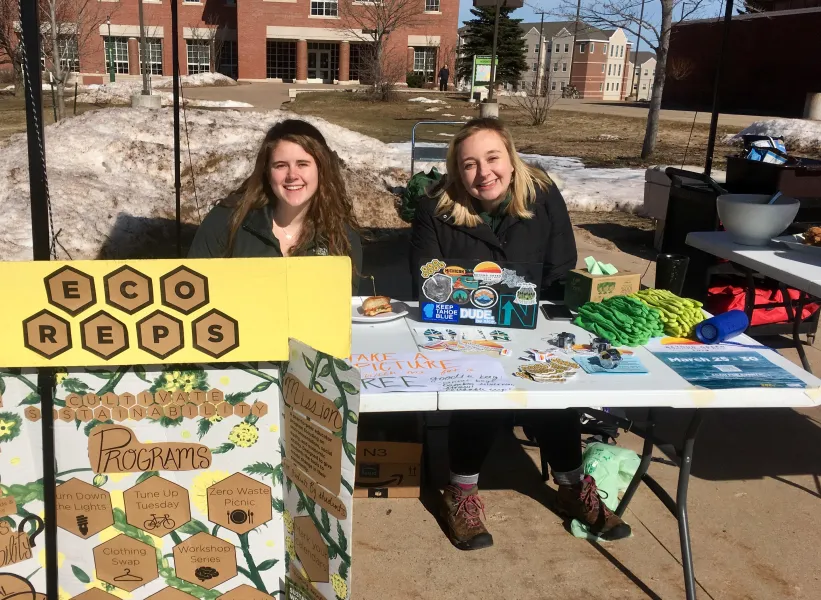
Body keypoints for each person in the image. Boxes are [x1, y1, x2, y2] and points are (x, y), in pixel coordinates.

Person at [410, 117, 631, 550]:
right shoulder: (434, 207)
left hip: (532, 325)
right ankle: (461, 491)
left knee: (552, 384)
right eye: (469, 164)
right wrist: (486, 301)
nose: (483, 173)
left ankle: (570, 486)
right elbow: (426, 281)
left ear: (510, 159)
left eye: (492, 158)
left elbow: (559, 270)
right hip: (463, 328)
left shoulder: (543, 196)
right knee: (483, 388)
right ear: (457, 170)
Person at [188, 119, 362, 292]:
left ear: (321, 169)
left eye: (302, 164)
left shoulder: (341, 234)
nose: (292, 175)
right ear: (267, 172)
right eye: (281, 165)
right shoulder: (226, 221)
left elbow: (343, 310)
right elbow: (194, 292)